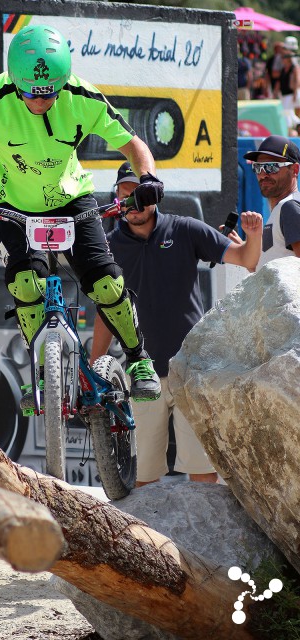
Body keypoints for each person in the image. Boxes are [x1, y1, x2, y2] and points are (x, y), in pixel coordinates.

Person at [0, 23, 166, 409]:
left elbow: (132, 144)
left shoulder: (80, 96)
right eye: (31, 95)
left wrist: (148, 177)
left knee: (104, 282)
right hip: (9, 204)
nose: (40, 102)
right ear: (15, 81)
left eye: (49, 94)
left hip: (70, 198)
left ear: (62, 81)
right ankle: (42, 374)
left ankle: (139, 360)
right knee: (24, 282)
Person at [90, 161, 263, 487]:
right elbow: (104, 312)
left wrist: (253, 236)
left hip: (190, 370)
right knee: (140, 477)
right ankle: (144, 540)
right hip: (139, 373)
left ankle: (197, 540)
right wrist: (94, 366)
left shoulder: (185, 229)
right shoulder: (108, 248)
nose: (133, 204)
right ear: (116, 198)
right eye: (126, 196)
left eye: (140, 195)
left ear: (154, 195)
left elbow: (246, 260)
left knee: (202, 473)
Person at [243, 135, 300, 268]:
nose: (263, 174)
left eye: (271, 167)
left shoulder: (289, 207)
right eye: (258, 167)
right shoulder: (280, 211)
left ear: (294, 170)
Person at [274, 36, 300, 134]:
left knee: (289, 113)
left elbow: (297, 80)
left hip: (290, 94)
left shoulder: (294, 67)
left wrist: (295, 93)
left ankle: (293, 129)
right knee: (287, 114)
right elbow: (279, 81)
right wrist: (276, 92)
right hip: (284, 94)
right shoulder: (284, 69)